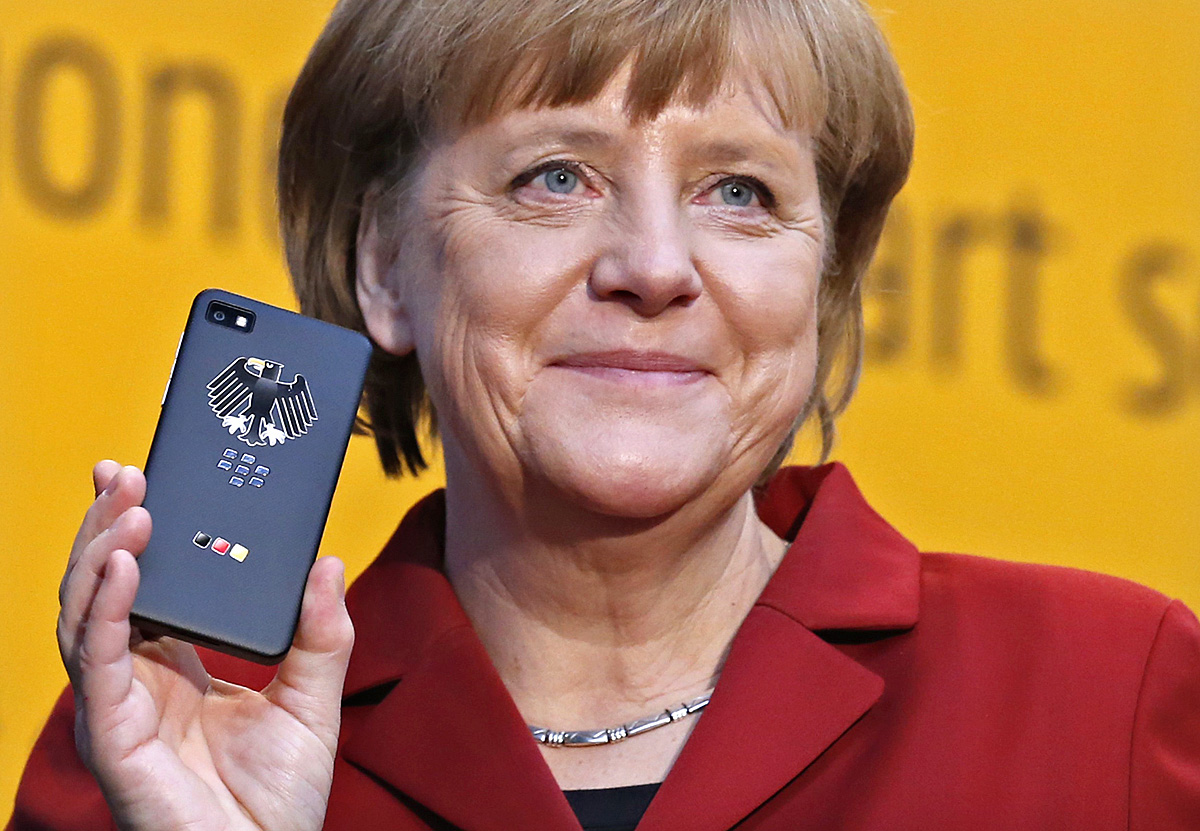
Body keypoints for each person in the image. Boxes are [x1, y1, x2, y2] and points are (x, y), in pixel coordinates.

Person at [9, 0, 1200, 828]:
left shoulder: (1107, 696)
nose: (652, 264)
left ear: (825, 279)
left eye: (739, 192)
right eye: (556, 178)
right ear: (383, 263)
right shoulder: (171, 733)